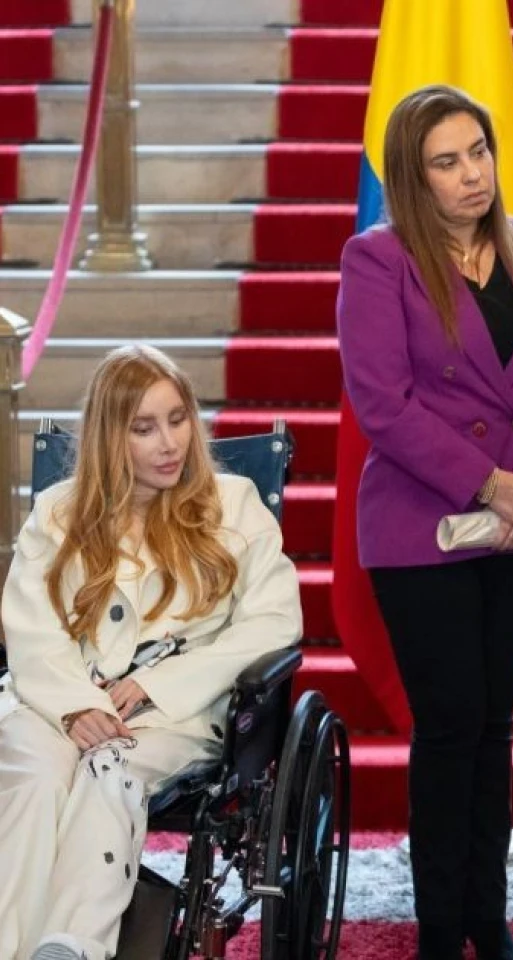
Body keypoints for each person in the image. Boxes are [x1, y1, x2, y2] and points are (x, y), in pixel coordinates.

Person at [336, 84, 513, 960]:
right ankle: (442, 928)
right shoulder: (378, 260)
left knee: (495, 724)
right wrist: (488, 485)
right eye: (447, 162)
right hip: (422, 528)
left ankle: (489, 915)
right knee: (449, 727)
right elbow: (382, 403)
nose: (473, 173)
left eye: (478, 151)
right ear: (414, 176)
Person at [0, 344, 303, 960]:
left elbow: (274, 621)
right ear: (111, 437)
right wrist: (74, 705)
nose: (169, 443)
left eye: (177, 419)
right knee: (32, 779)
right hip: (55, 702)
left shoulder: (233, 504)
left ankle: (71, 946)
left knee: (108, 771)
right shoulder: (60, 512)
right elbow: (31, 626)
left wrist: (159, 685)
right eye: (144, 428)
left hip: (173, 713)